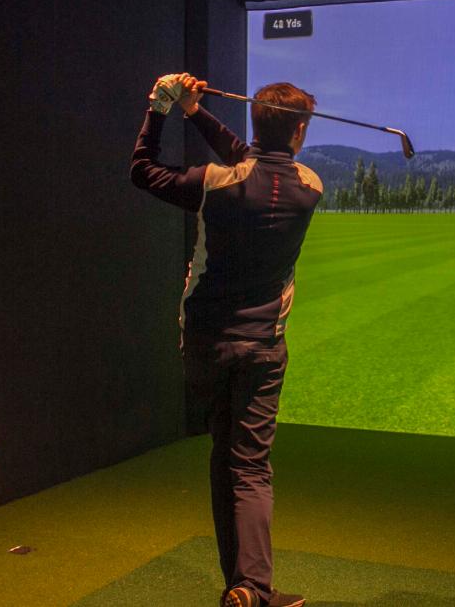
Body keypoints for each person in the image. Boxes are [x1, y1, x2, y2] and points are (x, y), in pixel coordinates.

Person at [130, 73, 322, 607]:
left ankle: (243, 587)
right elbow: (257, 163)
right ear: (300, 132)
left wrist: (163, 107)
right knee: (250, 465)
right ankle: (252, 585)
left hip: (205, 344)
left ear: (255, 123)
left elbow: (142, 170)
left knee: (225, 453)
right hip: (263, 347)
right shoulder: (310, 187)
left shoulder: (213, 182)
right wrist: (195, 112)